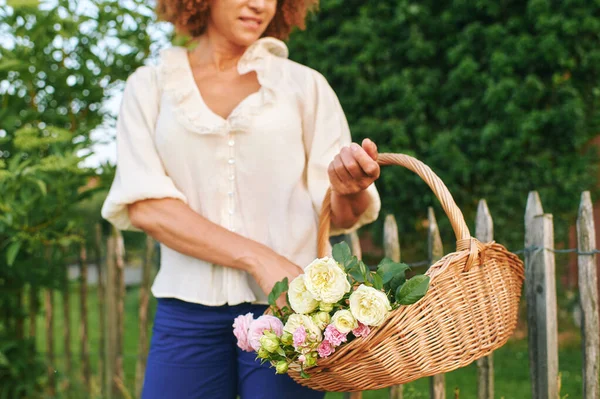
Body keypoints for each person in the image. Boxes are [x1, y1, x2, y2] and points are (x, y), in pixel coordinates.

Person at [101, 0, 381, 397]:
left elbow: (341, 214)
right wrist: (261, 259)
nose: (260, 5)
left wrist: (348, 188)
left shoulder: (305, 86)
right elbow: (147, 206)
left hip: (292, 313)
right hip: (187, 312)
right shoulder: (150, 87)